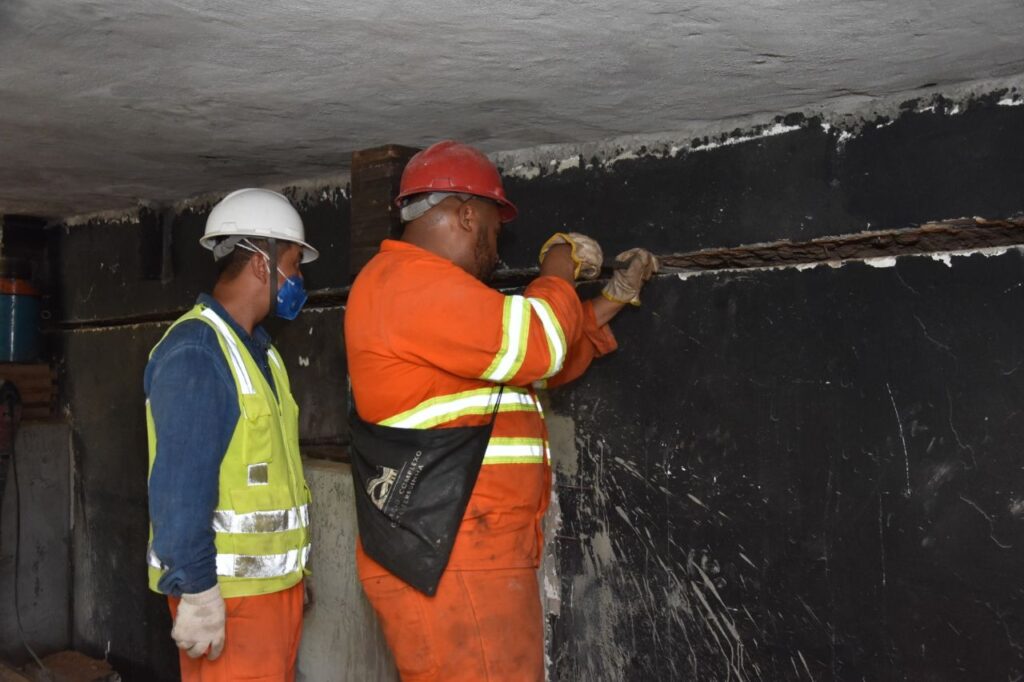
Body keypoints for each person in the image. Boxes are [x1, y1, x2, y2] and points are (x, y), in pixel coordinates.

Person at [345, 140, 658, 680]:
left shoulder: (427, 294)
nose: (496, 243)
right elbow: (536, 343)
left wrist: (611, 298)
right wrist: (557, 270)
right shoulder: (409, 282)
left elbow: (537, 366)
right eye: (494, 225)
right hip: (454, 552)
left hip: (465, 550)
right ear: (468, 215)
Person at [144, 188, 317, 681]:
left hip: (268, 599)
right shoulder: (197, 353)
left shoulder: (262, 354)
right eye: (293, 265)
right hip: (226, 602)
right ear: (262, 265)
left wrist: (296, 574)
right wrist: (197, 595)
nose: (298, 280)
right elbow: (179, 490)